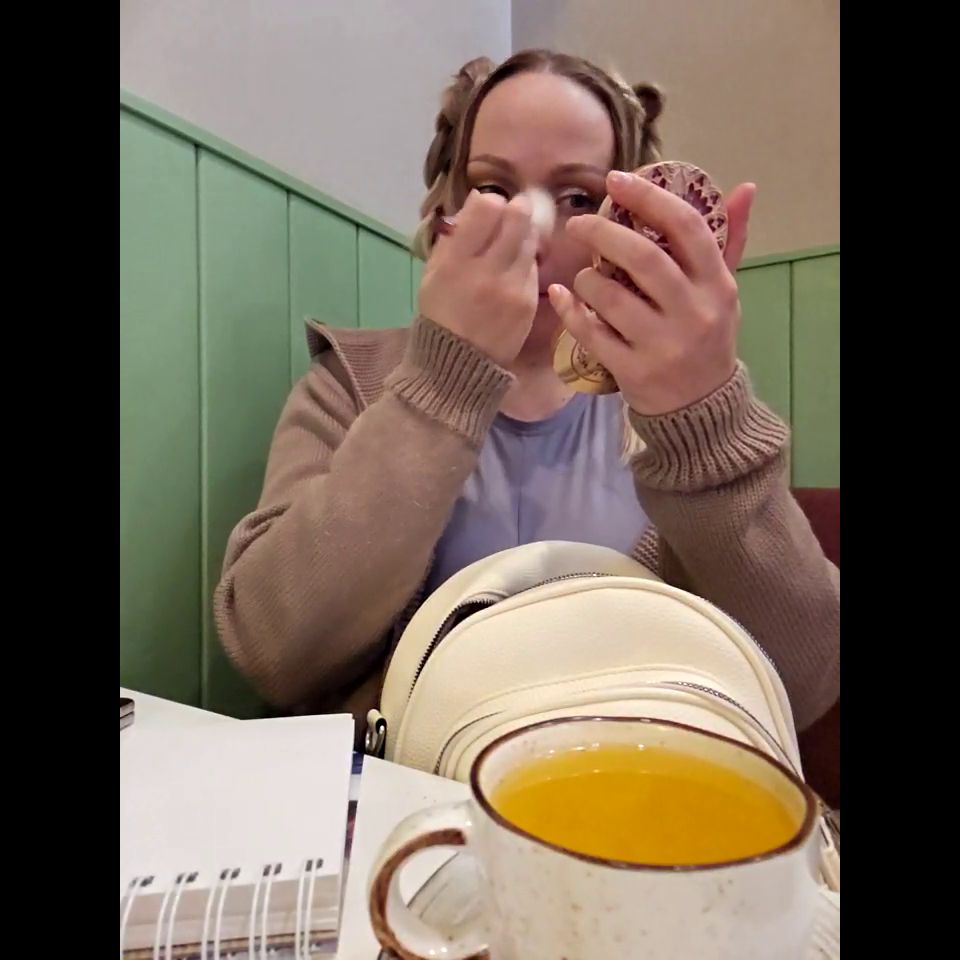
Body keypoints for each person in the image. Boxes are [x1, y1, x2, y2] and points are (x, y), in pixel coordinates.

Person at [213, 49, 840, 741]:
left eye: (579, 199)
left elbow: (802, 684)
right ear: (448, 209)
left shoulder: (669, 402)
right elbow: (272, 652)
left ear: (629, 218)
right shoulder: (350, 383)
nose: (532, 231)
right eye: (493, 188)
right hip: (407, 792)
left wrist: (702, 421)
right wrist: (442, 382)